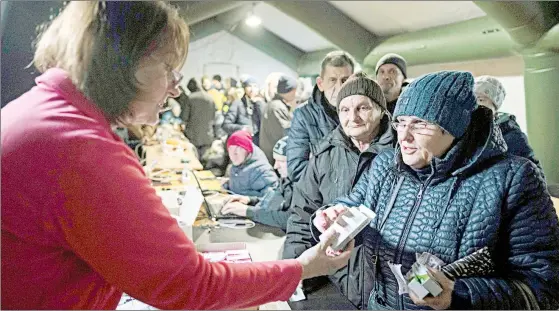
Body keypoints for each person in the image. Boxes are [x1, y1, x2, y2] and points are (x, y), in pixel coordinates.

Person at [0, 2, 354, 309]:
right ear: (122, 62)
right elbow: (191, 284)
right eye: (168, 68)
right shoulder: (79, 148)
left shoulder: (45, 112)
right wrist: (304, 266)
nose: (175, 86)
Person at [313, 71, 559, 310]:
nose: (404, 137)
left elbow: (545, 286)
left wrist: (458, 294)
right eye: (400, 123)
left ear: (454, 127)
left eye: (420, 124)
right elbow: (355, 205)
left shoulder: (511, 179)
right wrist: (331, 216)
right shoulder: (385, 165)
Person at [284, 73, 394, 308]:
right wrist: (294, 273)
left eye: (362, 108)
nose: (352, 117)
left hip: (385, 288)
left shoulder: (400, 155)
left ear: (380, 110)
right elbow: (302, 216)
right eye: (344, 109)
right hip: (337, 282)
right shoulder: (325, 154)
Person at [287, 50, 355, 183]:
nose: (339, 87)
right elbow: (296, 169)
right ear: (320, 84)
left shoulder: (363, 114)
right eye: (332, 80)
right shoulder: (304, 116)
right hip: (318, 199)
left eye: (345, 80)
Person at [474, 75, 544, 176]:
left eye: (481, 100)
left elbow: (533, 170)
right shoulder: (467, 133)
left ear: (494, 107)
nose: (476, 105)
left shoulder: (511, 135)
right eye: (473, 100)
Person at [222, 136, 293, 230]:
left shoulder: (305, 186)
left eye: (281, 161)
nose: (276, 166)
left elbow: (290, 220)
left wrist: (248, 211)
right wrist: (250, 200)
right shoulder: (286, 179)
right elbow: (274, 202)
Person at [224, 130, 279, 197]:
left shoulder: (261, 170)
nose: (234, 154)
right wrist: (226, 185)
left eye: (239, 148)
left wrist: (249, 200)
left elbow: (273, 197)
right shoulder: (237, 166)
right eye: (230, 149)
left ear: (247, 150)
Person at [259, 74, 298, 165]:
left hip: (270, 154)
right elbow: (288, 132)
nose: (296, 94)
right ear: (290, 91)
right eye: (294, 91)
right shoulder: (278, 107)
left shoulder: (273, 104)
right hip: (275, 157)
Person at [222, 76, 265, 145]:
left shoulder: (262, 104)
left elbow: (265, 123)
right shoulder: (237, 104)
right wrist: (242, 128)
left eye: (255, 86)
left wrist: (259, 104)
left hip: (257, 144)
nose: (252, 89)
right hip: (240, 143)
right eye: (249, 86)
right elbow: (226, 125)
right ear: (244, 88)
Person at [181, 77, 216, 160]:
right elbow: (213, 116)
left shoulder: (190, 98)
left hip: (193, 135)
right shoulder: (210, 98)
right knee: (204, 161)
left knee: (193, 159)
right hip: (207, 134)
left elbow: (184, 117)